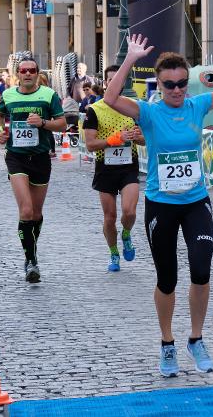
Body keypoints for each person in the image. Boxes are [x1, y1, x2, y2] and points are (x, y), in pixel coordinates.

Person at [104, 21, 213, 378]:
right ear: (160, 84)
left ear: (189, 83)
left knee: (201, 269)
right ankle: (167, 344)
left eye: (182, 83)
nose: (176, 90)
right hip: (161, 204)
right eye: (169, 84)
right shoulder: (150, 111)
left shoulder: (198, 105)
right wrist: (130, 59)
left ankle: (196, 339)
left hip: (195, 201)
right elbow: (109, 98)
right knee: (167, 278)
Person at [0, 56, 67, 284]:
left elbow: (62, 124)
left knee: (35, 214)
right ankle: (31, 260)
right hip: (16, 157)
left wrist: (43, 123)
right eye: (23, 70)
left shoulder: (48, 95)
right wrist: (0, 131)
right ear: (17, 73)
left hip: (41, 158)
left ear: (37, 73)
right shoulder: (8, 94)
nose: (27, 74)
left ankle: (31, 249)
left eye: (31, 70)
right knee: (25, 211)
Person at [82, 64, 145, 272]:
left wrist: (138, 137)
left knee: (130, 211)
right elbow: (90, 145)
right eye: (109, 80)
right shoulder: (95, 109)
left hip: (129, 167)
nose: (112, 83)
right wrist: (113, 140)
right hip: (105, 167)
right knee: (109, 217)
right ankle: (113, 253)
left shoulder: (134, 107)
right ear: (105, 83)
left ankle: (126, 234)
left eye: (117, 79)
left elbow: (147, 140)